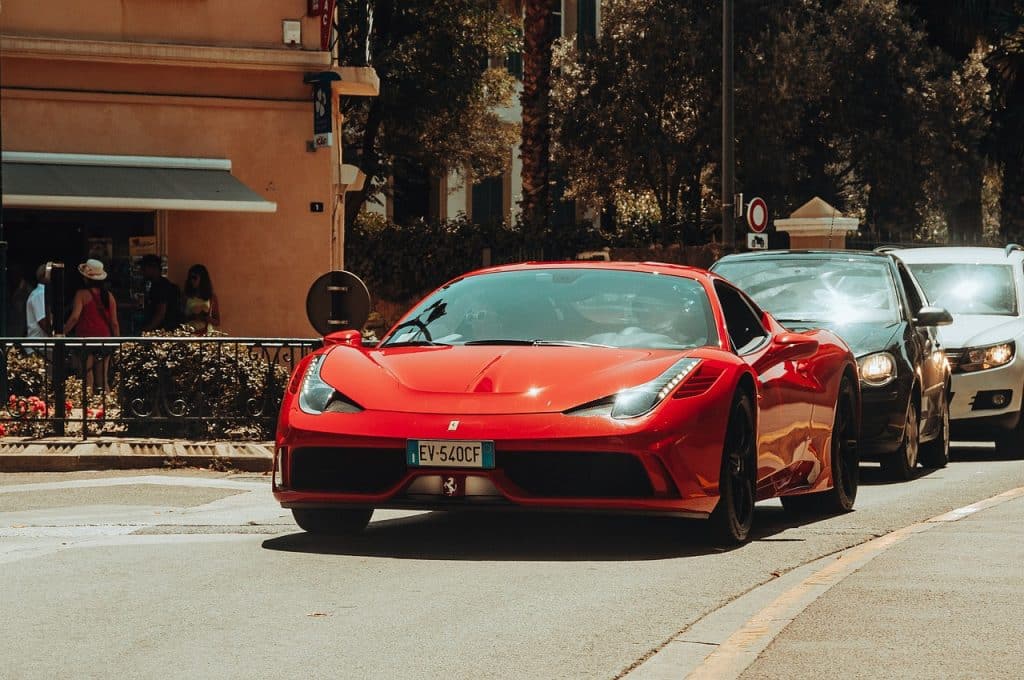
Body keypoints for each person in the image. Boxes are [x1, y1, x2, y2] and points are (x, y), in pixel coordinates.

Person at [65, 259, 120, 394]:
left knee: (88, 377)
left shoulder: (81, 294)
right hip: (104, 341)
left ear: (86, 278)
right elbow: (114, 322)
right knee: (103, 380)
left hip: (86, 340)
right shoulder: (109, 296)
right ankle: (107, 409)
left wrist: (62, 332)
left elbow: (74, 317)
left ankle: (88, 409)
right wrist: (117, 341)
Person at [139, 254, 181, 332]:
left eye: (144, 269)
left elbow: (160, 313)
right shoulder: (156, 285)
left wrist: (146, 330)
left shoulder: (161, 286)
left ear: (153, 268)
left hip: (163, 331)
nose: (142, 272)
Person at [182, 264, 221, 335]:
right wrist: (192, 316)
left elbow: (217, 321)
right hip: (189, 334)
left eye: (194, 278)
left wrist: (206, 318)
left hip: (206, 335)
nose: (192, 280)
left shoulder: (211, 297)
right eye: (190, 278)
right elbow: (181, 318)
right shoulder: (186, 296)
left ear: (202, 279)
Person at [25, 265, 51, 339]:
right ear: (44, 276)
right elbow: (44, 322)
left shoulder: (42, 293)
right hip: (38, 346)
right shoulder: (40, 294)